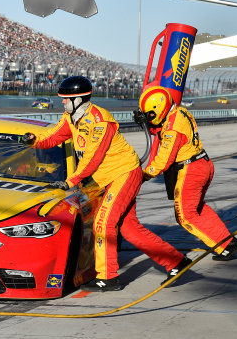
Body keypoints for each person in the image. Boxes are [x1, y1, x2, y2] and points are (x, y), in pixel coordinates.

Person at [22, 76, 190, 292]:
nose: (62, 103)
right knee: (130, 230)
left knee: (103, 222)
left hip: (124, 173)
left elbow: (94, 156)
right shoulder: (71, 118)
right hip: (108, 179)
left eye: (65, 100)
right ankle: (176, 262)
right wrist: (34, 139)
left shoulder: (100, 120)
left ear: (78, 100)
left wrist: (71, 181)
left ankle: (107, 277)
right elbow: (53, 135)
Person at [138, 86, 237, 261]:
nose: (149, 117)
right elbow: (162, 128)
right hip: (203, 163)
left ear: (158, 108)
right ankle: (229, 243)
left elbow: (163, 161)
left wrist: (142, 176)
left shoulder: (173, 128)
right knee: (199, 209)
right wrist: (148, 124)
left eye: (149, 114)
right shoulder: (180, 112)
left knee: (185, 216)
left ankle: (224, 248)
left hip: (191, 169)